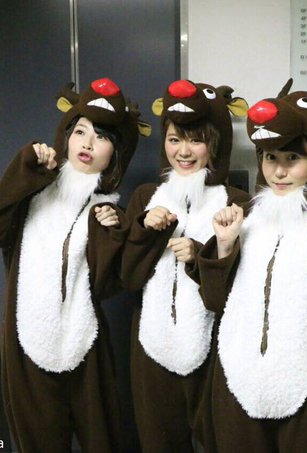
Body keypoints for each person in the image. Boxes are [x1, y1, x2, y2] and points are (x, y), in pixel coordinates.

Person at [0, 78, 149, 452]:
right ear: (66, 136)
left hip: (86, 345)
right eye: (80, 131)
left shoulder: (106, 212)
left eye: (101, 137)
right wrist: (24, 172)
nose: (87, 143)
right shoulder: (33, 190)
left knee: (103, 441)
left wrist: (113, 234)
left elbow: (110, 285)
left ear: (115, 152)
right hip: (26, 343)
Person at [195, 80, 307, 452]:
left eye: (293, 158)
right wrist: (224, 245)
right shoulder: (243, 215)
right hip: (237, 375)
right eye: (270, 157)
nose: (279, 171)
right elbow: (215, 302)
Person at [121, 79, 249, 452]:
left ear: (215, 144)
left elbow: (241, 291)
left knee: (222, 441)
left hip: (215, 349)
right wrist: (145, 231)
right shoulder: (146, 197)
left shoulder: (237, 202)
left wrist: (200, 255)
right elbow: (127, 277)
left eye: (196, 140)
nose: (184, 151)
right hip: (151, 344)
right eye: (175, 139)